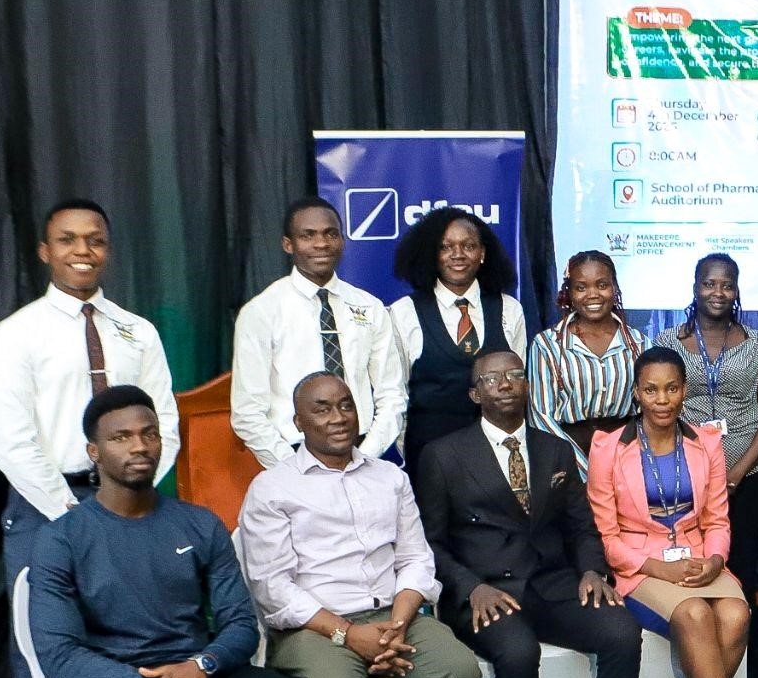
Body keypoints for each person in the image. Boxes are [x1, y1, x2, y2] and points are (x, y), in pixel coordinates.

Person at [28, 386, 340, 678]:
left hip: (200, 671)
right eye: (121, 437)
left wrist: (201, 666)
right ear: (94, 451)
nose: (139, 446)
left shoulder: (198, 524)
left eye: (149, 434)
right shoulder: (61, 540)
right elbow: (60, 657)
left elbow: (239, 623)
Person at [0, 198, 181, 678]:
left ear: (108, 249)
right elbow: (11, 438)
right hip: (48, 511)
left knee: (137, 643)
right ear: (46, 252)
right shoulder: (16, 334)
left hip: (129, 505)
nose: (81, 251)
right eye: (67, 240)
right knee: (42, 669)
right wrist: (77, 515)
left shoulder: (135, 330)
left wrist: (131, 495)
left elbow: (164, 424)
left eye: (94, 240)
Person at [239, 373, 479, 678]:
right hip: (313, 629)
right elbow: (273, 588)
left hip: (393, 616)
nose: (338, 418)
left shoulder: (389, 477)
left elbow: (415, 559)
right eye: (323, 408)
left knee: (460, 670)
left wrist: (398, 624)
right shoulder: (272, 488)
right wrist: (349, 635)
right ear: (297, 422)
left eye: (346, 405)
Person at [411, 350, 639, 678]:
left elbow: (581, 525)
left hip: (552, 585)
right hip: (487, 592)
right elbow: (430, 544)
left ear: (528, 385)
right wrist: (470, 586)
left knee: (621, 633)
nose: (505, 382)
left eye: (515, 374)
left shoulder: (554, 448)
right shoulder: (443, 455)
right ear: (475, 393)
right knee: (517, 652)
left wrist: (592, 571)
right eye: (492, 378)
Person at [588, 349, 755, 678]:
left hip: (700, 561)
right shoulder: (609, 448)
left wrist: (716, 560)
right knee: (696, 614)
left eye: (671, 388)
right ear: (637, 394)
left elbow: (717, 519)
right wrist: (658, 568)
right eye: (651, 390)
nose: (662, 399)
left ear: (684, 391)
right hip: (643, 568)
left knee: (736, 614)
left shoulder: (706, 444)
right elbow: (608, 538)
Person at [231, 197, 406, 468]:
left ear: (342, 240)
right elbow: (247, 413)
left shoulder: (368, 307)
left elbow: (392, 394)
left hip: (361, 451)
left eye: (330, 234)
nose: (321, 244)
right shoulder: (262, 312)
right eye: (307, 235)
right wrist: (296, 468)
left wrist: (365, 458)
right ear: (288, 244)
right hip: (292, 454)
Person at [654, 253, 758, 598]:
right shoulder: (669, 343)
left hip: (749, 474)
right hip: (687, 473)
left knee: (742, 562)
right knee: (693, 561)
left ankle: (745, 646)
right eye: (709, 283)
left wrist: (737, 472)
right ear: (695, 288)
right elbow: (659, 409)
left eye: (727, 285)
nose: (718, 292)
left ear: (737, 291)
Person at [388, 206, 527, 467]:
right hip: (429, 455)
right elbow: (396, 393)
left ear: (483, 253)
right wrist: (414, 452)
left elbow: (518, 386)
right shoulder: (404, 312)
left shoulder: (509, 308)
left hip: (498, 459)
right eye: (446, 247)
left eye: (468, 246)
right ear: (433, 254)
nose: (458, 255)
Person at [527, 250, 646, 478]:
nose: (593, 295)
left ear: (615, 288)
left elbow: (646, 410)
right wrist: (583, 469)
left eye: (602, 285)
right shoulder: (547, 345)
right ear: (569, 293)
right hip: (565, 461)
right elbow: (541, 416)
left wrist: (624, 461)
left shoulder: (639, 344)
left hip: (626, 459)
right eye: (581, 288)